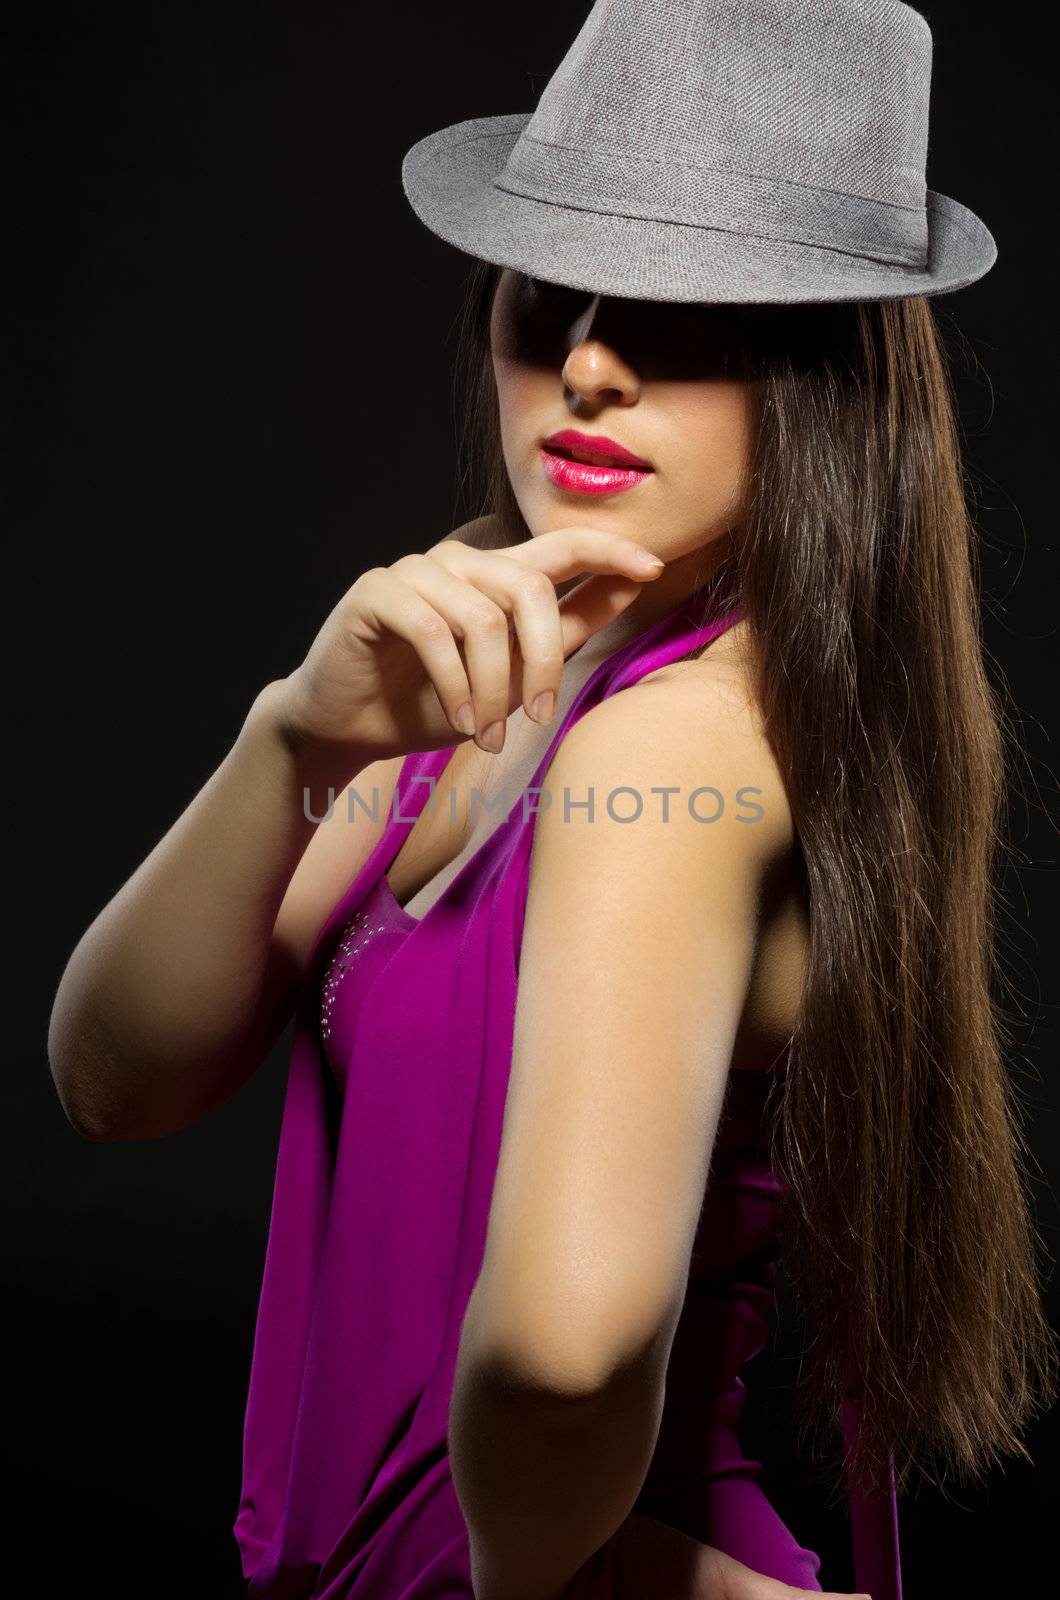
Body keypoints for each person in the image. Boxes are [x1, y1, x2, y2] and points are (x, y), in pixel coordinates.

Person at [47, 3, 1056, 1598]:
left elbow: (571, 1354)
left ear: (827, 369)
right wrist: (293, 740)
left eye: (683, 306)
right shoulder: (479, 667)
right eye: (551, 291)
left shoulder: (676, 747)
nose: (587, 358)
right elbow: (118, 1081)